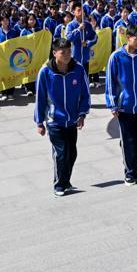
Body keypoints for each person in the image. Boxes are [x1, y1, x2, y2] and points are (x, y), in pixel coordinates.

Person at [34, 38, 90, 196]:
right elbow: (40, 98)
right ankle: (59, 185)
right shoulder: (45, 71)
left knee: (72, 153)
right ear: (54, 53)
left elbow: (85, 94)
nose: (67, 55)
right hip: (54, 121)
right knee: (61, 153)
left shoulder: (78, 69)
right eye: (63, 52)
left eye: (69, 51)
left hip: (72, 120)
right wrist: (39, 122)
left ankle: (65, 180)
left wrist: (82, 114)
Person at [105, 24, 137, 186]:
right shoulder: (116, 57)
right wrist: (112, 103)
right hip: (124, 107)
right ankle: (130, 172)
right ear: (128, 38)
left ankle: (134, 164)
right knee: (129, 140)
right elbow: (110, 82)